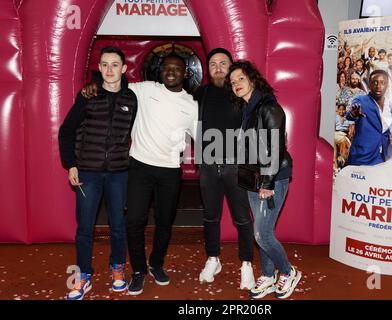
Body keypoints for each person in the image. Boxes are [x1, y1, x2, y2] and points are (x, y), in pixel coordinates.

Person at [82, 53, 198, 295]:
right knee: (134, 221)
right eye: (167, 68)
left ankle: (156, 264)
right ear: (160, 71)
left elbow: (203, 140)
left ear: (185, 73)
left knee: (165, 222)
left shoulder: (191, 105)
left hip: (170, 172)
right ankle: (138, 271)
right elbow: (114, 82)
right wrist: (93, 81)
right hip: (140, 167)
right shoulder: (144, 90)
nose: (171, 72)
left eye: (177, 69)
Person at [58, 46, 137, 300]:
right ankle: (83, 276)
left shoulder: (131, 98)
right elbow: (66, 130)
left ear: (124, 69)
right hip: (88, 173)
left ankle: (117, 268)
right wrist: (71, 164)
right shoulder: (88, 95)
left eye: (115, 65)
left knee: (118, 225)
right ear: (99, 67)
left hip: (119, 173)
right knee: (85, 227)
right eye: (104, 64)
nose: (109, 69)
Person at [227, 60, 301, 299]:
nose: (235, 84)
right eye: (232, 81)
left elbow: (276, 147)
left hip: (271, 178)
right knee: (262, 231)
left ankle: (288, 272)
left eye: (240, 78)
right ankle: (268, 276)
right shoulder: (247, 109)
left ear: (252, 79)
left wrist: (267, 183)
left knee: (262, 234)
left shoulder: (268, 106)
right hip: (253, 178)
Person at [194, 48, 255, 289]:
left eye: (223, 63)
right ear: (208, 71)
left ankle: (247, 265)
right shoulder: (200, 94)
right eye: (213, 64)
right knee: (210, 216)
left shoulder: (242, 93)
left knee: (242, 219)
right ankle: (213, 259)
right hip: (208, 165)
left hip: (237, 166)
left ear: (231, 67)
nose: (218, 67)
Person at [346, 70, 392, 166]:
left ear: (387, 85)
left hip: (383, 157)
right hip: (363, 157)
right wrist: (353, 114)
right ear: (369, 85)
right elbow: (350, 114)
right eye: (375, 82)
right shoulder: (361, 100)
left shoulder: (391, 105)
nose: (378, 86)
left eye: (382, 82)